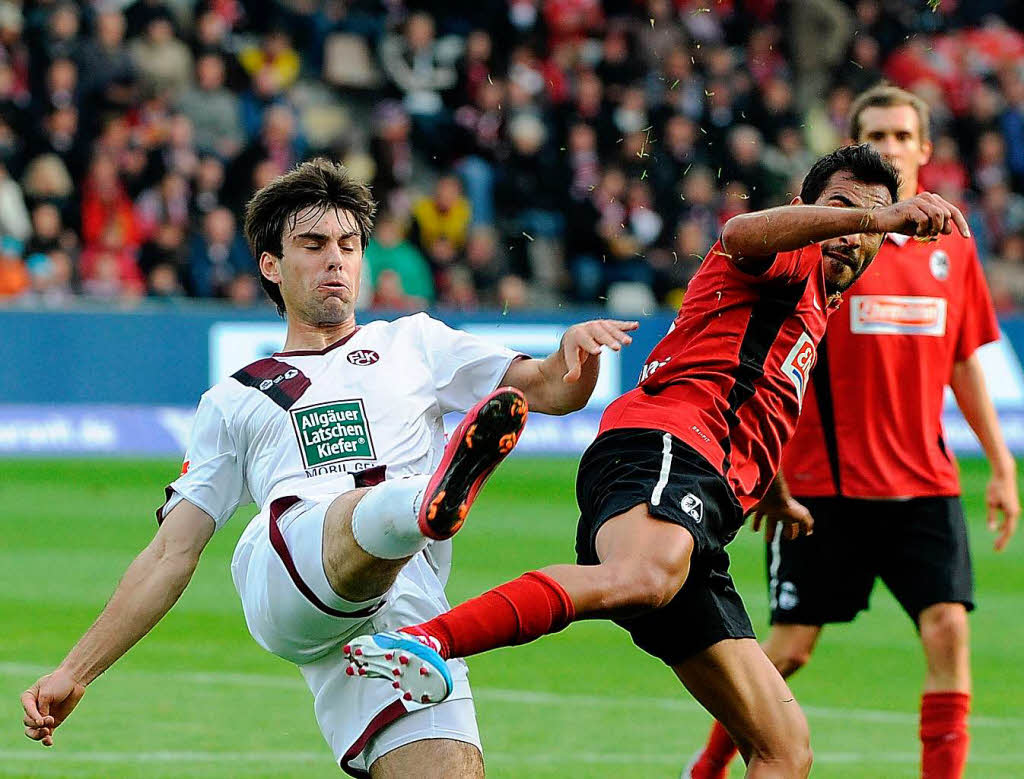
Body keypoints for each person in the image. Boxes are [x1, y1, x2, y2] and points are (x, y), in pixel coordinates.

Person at [346, 145, 971, 778]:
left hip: (706, 503)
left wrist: (774, 489)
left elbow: (753, 400)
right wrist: (872, 217)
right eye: (840, 206)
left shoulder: (817, 307)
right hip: (665, 444)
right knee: (640, 577)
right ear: (810, 208)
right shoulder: (788, 257)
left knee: (784, 747)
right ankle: (427, 642)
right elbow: (739, 232)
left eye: (871, 216)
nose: (857, 226)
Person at [19, 159, 639, 779]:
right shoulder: (234, 398)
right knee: (364, 506)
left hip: (407, 620)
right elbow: (169, 554)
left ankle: (424, 505)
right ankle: (425, 502)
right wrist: (75, 670)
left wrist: (573, 358)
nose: (335, 260)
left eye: (348, 245)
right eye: (312, 245)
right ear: (271, 265)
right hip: (288, 573)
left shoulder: (415, 342)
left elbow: (546, 389)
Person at [687, 84, 1020, 779]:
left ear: (924, 149)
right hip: (823, 484)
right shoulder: (830, 242)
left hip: (923, 479)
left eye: (904, 135)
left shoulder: (954, 249)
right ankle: (710, 766)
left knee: (949, 627)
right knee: (788, 649)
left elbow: (962, 357)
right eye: (879, 135)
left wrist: (1000, 463)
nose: (893, 146)